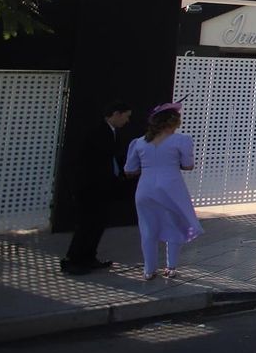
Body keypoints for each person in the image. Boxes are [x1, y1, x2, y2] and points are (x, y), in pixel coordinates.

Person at [123, 102, 202, 281]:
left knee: (148, 229)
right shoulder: (182, 140)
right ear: (173, 122)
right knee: (175, 225)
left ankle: (149, 270)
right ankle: (171, 267)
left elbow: (129, 170)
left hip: (145, 189)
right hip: (172, 188)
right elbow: (188, 165)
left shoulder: (139, 142)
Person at [60, 99, 133, 275]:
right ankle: (74, 259)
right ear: (116, 114)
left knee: (97, 224)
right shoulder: (99, 132)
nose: (127, 120)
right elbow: (94, 161)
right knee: (87, 224)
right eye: (126, 116)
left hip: (103, 187)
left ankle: (88, 257)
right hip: (91, 187)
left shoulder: (112, 132)